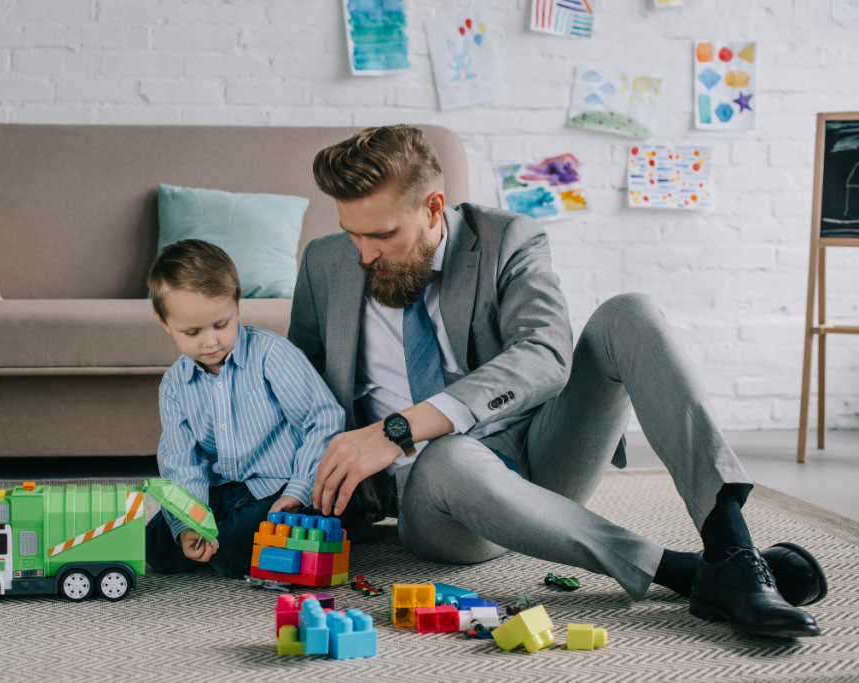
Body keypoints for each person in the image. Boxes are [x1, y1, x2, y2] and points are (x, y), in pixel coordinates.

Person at [288, 124, 827, 637]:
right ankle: (684, 573)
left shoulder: (506, 239)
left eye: (382, 234)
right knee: (448, 454)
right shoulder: (325, 264)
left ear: (433, 208)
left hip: (542, 452)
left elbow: (545, 353)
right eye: (352, 233)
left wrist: (397, 428)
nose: (365, 255)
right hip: (437, 494)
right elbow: (298, 388)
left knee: (629, 313)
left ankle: (732, 550)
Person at [144, 239, 344, 580]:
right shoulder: (175, 385)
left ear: (237, 304)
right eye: (192, 332)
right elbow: (181, 461)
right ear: (164, 322)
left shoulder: (273, 355)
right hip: (223, 491)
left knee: (232, 548)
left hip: (280, 487)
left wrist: (298, 490)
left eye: (220, 325)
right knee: (157, 547)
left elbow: (323, 420)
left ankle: (260, 538)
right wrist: (190, 523)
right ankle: (217, 543)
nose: (210, 342)